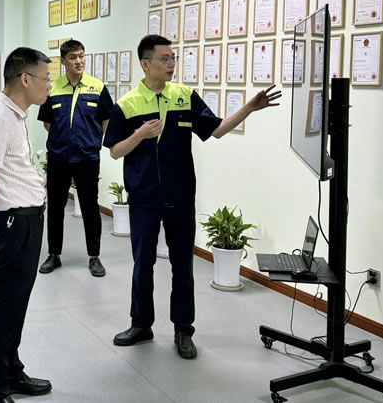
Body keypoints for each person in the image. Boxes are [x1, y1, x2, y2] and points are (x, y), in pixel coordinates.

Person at [103, 35, 281, 359]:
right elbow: (115, 151)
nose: (171, 64)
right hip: (143, 200)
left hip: (180, 198)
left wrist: (249, 108)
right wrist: (139, 134)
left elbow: (217, 129)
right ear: (145, 64)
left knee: (182, 267)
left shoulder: (184, 96)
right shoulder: (127, 104)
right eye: (164, 59)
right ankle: (141, 324)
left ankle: (183, 330)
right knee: (142, 266)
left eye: (173, 58)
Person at [0, 47, 53, 403]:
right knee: (4, 309)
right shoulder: (0, 118)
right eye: (46, 78)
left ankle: (11, 372)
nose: (49, 85)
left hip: (27, 220)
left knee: (17, 305)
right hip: (13, 223)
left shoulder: (17, 116)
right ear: (25, 78)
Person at [37, 39, 114, 277]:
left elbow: (106, 120)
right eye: (73, 57)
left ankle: (94, 256)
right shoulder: (52, 88)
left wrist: (90, 140)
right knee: (55, 208)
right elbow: (48, 123)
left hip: (87, 158)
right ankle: (54, 254)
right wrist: (64, 139)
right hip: (58, 158)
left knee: (90, 208)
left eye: (81, 56)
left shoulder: (97, 87)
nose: (79, 61)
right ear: (63, 61)